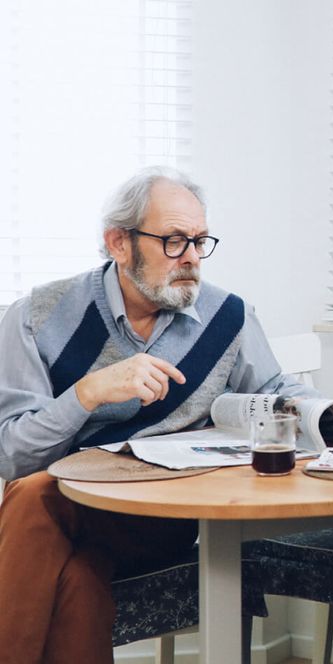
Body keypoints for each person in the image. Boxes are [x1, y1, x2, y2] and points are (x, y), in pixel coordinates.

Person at [0, 166, 316, 663]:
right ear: (119, 243)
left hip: (157, 517)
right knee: (76, 576)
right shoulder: (37, 316)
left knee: (35, 495)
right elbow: (13, 455)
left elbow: (276, 391)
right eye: (173, 241)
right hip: (64, 512)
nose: (191, 258)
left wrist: (332, 414)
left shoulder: (227, 316)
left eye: (200, 240)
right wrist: (86, 393)